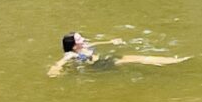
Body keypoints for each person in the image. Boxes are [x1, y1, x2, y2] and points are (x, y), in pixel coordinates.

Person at [48, 32, 189, 77]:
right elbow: (59, 63)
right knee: (139, 59)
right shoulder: (71, 55)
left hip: (105, 60)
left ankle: (172, 62)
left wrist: (110, 41)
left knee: (138, 59)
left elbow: (96, 44)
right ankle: (175, 62)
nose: (83, 39)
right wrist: (54, 71)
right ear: (73, 45)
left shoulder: (85, 46)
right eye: (80, 39)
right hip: (100, 65)